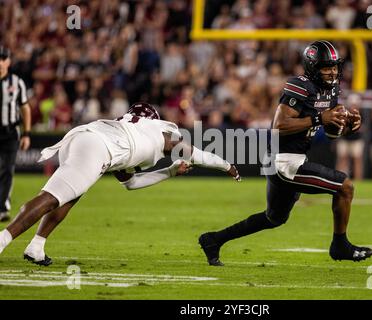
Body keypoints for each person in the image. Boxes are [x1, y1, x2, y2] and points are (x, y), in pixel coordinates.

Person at [199, 41, 372, 266]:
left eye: (334, 67)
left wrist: (348, 126)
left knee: (274, 218)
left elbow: (331, 133)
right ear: (312, 67)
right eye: (326, 67)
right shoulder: (300, 85)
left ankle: (213, 240)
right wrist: (320, 118)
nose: (332, 72)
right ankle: (340, 245)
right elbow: (279, 126)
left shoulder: (331, 90)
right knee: (345, 187)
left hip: (293, 160)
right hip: (283, 163)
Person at [0, 102, 240, 266]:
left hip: (84, 136)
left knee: (70, 194)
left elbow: (131, 183)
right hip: (98, 146)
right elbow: (197, 154)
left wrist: (169, 171)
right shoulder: (160, 131)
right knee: (52, 196)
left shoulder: (127, 129)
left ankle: (36, 246)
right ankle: (4, 238)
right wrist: (227, 166)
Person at [0, 46, 32, 222]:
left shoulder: (16, 82)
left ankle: (2, 207)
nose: (0, 62)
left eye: (3, 58)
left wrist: (26, 133)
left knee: (8, 169)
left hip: (11, 132)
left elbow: (25, 107)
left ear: (9, 61)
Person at [336, 93, 365, 180]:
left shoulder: (361, 114)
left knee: (357, 160)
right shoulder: (344, 114)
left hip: (356, 140)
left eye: (355, 104)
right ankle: (337, 179)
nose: (354, 106)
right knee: (342, 159)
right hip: (344, 139)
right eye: (352, 104)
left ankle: (358, 180)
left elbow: (362, 128)